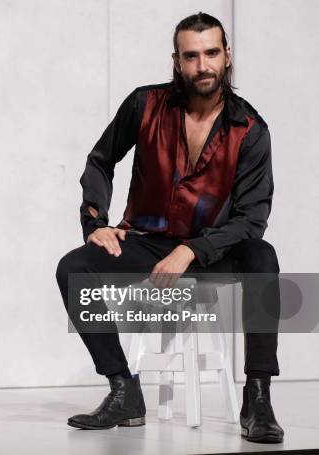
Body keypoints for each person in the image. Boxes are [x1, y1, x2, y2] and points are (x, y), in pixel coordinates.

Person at [55, 12, 284, 443]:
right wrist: (95, 223)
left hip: (212, 251)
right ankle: (123, 391)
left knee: (263, 257)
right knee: (72, 270)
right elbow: (100, 161)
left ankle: (258, 398)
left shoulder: (250, 129)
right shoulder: (144, 104)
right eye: (192, 56)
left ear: (227, 55)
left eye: (212, 53)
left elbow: (252, 219)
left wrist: (193, 249)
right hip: (147, 240)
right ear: (177, 61)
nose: (203, 66)